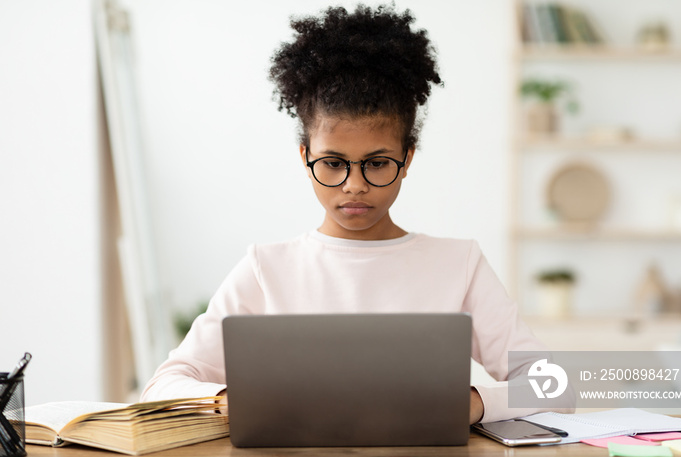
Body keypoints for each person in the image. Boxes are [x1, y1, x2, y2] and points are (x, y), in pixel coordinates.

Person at [141, 3, 559, 424]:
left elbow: (554, 385)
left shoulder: (459, 264)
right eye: (333, 163)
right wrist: (232, 400)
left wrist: (475, 402)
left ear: (407, 157)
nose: (353, 185)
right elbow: (164, 385)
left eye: (377, 163)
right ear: (306, 157)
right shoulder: (266, 268)